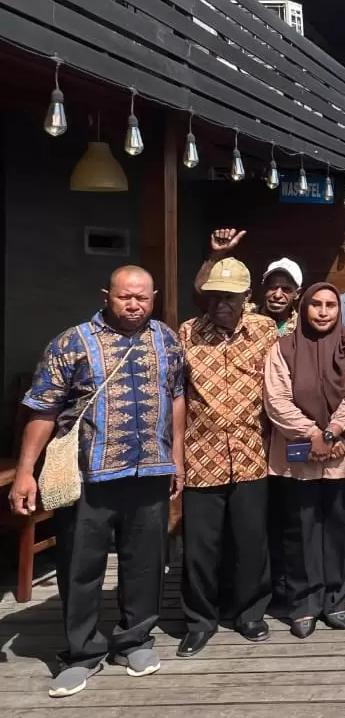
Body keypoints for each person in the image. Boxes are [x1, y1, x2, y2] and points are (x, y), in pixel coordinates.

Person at [9, 266, 184, 699]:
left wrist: (176, 457)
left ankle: (135, 639)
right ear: (107, 295)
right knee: (80, 567)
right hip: (88, 476)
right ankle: (82, 652)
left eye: (142, 297)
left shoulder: (166, 339)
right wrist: (25, 471)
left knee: (145, 562)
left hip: (150, 470)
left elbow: (177, 396)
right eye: (125, 296)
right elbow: (42, 410)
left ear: (154, 297)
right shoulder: (72, 343)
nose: (134, 304)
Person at [175, 258, 279, 658]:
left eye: (230, 297)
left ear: (246, 298)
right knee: (201, 547)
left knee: (252, 541)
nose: (221, 304)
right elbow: (176, 392)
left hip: (252, 452)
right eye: (215, 296)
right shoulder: (188, 332)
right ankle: (200, 620)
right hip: (202, 455)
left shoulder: (265, 331)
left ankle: (250, 613)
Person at [264, 283, 345, 639]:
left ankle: (335, 600)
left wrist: (334, 431)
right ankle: (304, 604)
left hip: (341, 453)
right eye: (316, 305)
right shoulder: (283, 348)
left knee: (340, 528)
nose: (323, 312)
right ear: (304, 308)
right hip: (299, 456)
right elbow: (276, 397)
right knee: (300, 531)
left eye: (330, 305)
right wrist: (312, 434)